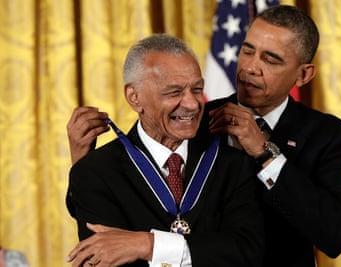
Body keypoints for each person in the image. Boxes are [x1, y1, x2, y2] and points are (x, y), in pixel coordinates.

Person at [67, 5, 341, 267]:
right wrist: (83, 163)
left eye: (271, 59)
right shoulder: (193, 117)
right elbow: (129, 184)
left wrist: (265, 153)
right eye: (247, 50)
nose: (250, 68)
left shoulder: (327, 135)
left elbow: (337, 235)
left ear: (303, 75)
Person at [65, 33, 264, 267]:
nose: (191, 103)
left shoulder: (233, 163)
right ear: (134, 97)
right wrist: (203, 251)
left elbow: (248, 252)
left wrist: (148, 245)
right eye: (174, 92)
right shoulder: (94, 172)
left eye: (197, 89)